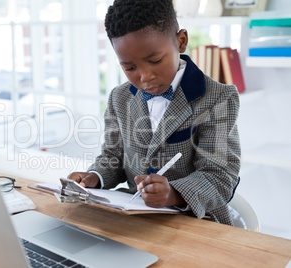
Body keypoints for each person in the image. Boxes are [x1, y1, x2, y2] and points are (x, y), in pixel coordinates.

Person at [68, 0, 241, 225]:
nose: (145, 76)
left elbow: (220, 176)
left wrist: (172, 194)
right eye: (129, 68)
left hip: (197, 223)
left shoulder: (217, 98)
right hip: (137, 218)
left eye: (155, 60)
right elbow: (113, 157)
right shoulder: (119, 98)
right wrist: (95, 177)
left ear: (181, 41)